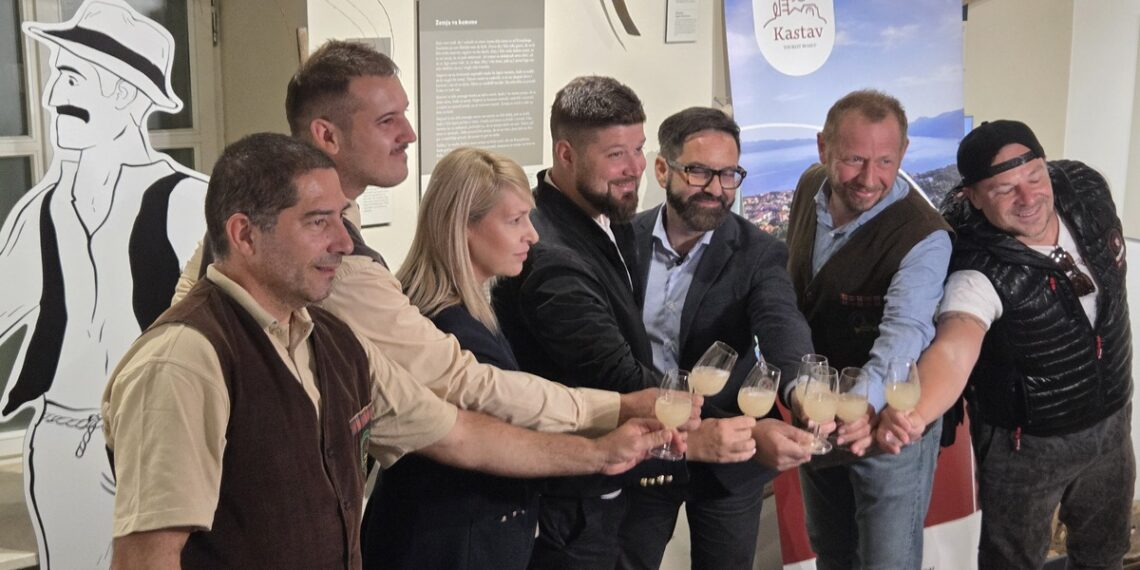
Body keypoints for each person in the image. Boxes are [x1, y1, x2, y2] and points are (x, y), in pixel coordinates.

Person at [103, 132, 676, 569]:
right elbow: (147, 557)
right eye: (318, 222)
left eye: (342, 219)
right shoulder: (185, 360)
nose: (343, 242)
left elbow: (462, 434)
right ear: (244, 235)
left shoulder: (334, 342)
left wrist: (599, 453)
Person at [176, 40, 666, 441]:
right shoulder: (334, 263)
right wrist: (614, 409)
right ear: (327, 136)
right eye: (387, 120)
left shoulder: (275, 222)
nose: (409, 133)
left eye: (404, 115)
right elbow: (457, 381)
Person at [492, 77, 760, 569]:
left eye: (638, 149)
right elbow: (615, 375)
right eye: (616, 154)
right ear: (566, 154)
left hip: (607, 486)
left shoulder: (604, 214)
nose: (635, 167)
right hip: (570, 504)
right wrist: (708, 435)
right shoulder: (552, 256)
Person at [0, 1, 207, 566]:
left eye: (69, 79)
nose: (50, 98)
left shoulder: (187, 201)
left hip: (159, 438)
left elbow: (233, 327)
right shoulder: (42, 209)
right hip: (61, 434)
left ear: (122, 90)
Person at [875, 120, 1134, 569]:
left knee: (1105, 553)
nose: (1028, 198)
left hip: (1111, 420)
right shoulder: (976, 268)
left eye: (1035, 177)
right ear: (973, 197)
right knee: (1013, 562)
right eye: (1004, 189)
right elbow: (955, 347)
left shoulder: (1087, 191)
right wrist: (913, 413)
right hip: (1026, 445)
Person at [617, 107, 816, 569]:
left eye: (729, 174)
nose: (717, 188)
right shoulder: (622, 240)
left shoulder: (758, 252)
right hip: (645, 441)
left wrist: (802, 388)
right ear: (662, 169)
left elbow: (781, 322)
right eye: (700, 171)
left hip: (730, 447)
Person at [783, 89, 952, 569]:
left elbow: (905, 333)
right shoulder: (808, 187)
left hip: (885, 426)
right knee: (831, 549)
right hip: (816, 412)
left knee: (886, 562)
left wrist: (858, 408)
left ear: (904, 153)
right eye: (854, 159)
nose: (869, 178)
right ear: (823, 148)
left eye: (885, 161)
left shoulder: (924, 235)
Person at [361, 147, 543, 569]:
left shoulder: (435, 309)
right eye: (515, 220)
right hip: (450, 543)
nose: (532, 235)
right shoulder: (450, 330)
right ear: (464, 227)